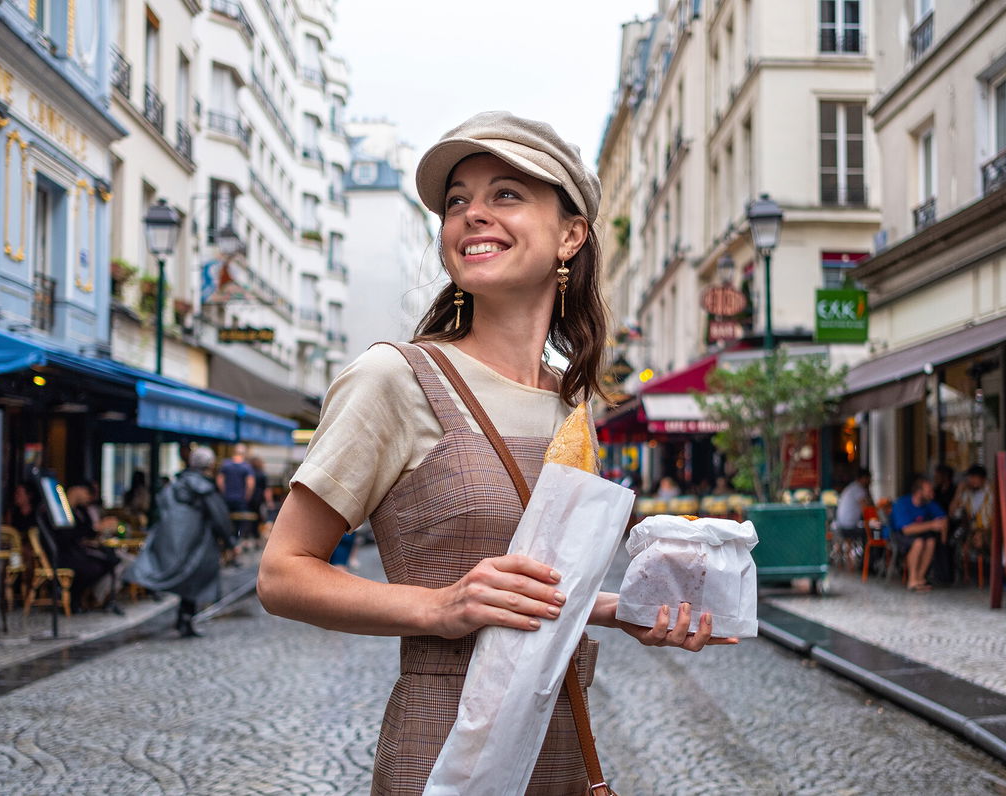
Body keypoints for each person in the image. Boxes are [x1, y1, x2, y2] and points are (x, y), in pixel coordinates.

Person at [256, 111, 732, 793]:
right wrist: (440, 607)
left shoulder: (571, 407)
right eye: (458, 201)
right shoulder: (395, 378)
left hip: (563, 739)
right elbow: (282, 573)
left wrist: (617, 609)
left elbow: (532, 588)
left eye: (505, 194)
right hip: (445, 746)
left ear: (571, 234)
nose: (473, 214)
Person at [126, 446, 235, 637]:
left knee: (188, 579)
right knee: (195, 579)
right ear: (209, 465)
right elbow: (219, 516)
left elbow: (162, 506)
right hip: (199, 541)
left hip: (177, 539)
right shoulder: (203, 487)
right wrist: (230, 542)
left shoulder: (177, 484)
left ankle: (184, 618)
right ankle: (185, 618)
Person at [56, 485, 121, 611]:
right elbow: (68, 536)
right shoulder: (62, 511)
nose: (89, 496)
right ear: (76, 489)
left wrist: (98, 529)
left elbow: (86, 532)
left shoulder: (81, 510)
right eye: (86, 492)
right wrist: (96, 529)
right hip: (66, 553)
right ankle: (77, 598)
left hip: (80, 551)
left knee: (110, 560)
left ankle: (90, 598)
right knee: (94, 566)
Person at [891, 475, 947, 592]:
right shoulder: (902, 503)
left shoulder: (929, 503)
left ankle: (920, 578)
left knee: (931, 541)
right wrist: (931, 525)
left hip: (917, 534)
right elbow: (906, 530)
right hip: (897, 534)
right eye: (929, 491)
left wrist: (943, 540)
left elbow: (943, 518)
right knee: (918, 543)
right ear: (919, 492)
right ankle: (912, 581)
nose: (932, 493)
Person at [951, 464, 994, 555]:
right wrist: (958, 492)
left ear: (982, 479)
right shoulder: (967, 493)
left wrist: (984, 532)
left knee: (980, 539)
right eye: (969, 478)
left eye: (973, 477)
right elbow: (953, 513)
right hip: (972, 531)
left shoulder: (992, 491)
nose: (970, 480)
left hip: (991, 530)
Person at [216, 444, 256, 541]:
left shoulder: (226, 464)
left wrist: (224, 491)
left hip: (227, 498)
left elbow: (219, 480)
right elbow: (250, 483)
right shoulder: (246, 467)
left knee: (226, 520)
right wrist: (247, 495)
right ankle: (237, 540)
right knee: (240, 521)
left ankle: (227, 539)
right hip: (240, 499)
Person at [835, 468, 874, 539]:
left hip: (841, 525)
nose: (870, 481)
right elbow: (866, 510)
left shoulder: (853, 487)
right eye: (869, 479)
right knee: (873, 532)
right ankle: (867, 550)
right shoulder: (859, 489)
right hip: (848, 527)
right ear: (864, 478)